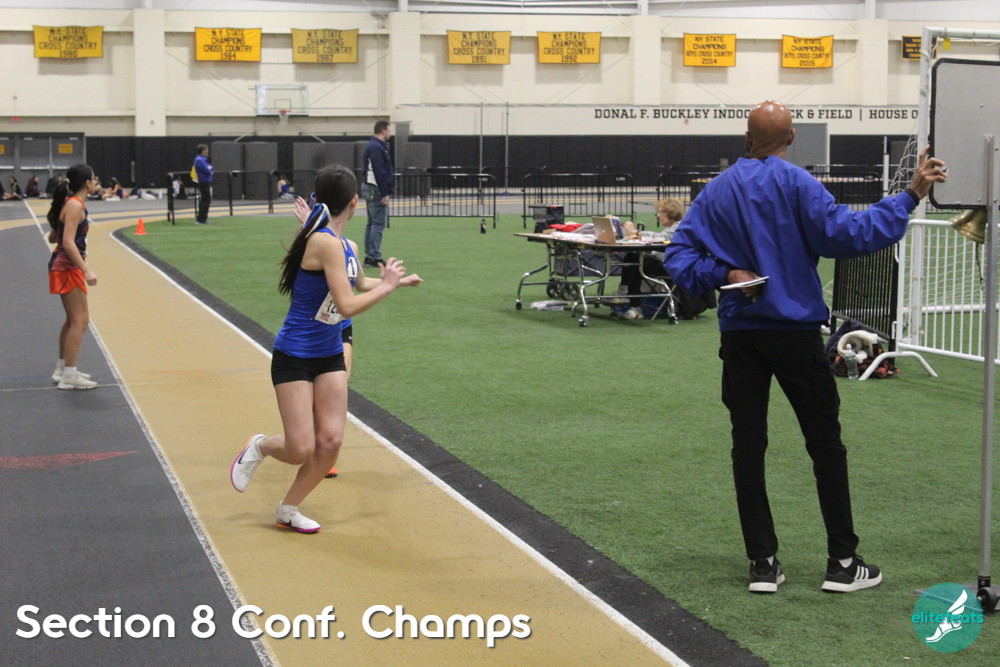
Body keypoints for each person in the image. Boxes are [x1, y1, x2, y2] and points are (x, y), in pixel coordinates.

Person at [663, 100, 947, 594]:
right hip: (795, 334)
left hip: (741, 335)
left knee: (747, 445)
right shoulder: (800, 185)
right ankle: (842, 562)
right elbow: (850, 235)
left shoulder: (716, 190)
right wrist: (910, 194)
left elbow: (679, 255)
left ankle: (762, 563)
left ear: (746, 138)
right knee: (824, 442)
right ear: (792, 138)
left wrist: (726, 273)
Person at [230, 165, 421, 534]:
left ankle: (288, 509)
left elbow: (358, 281)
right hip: (295, 354)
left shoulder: (346, 246)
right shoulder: (324, 243)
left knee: (331, 441)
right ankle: (261, 446)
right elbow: (346, 305)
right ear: (355, 201)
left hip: (329, 355)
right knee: (300, 449)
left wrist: (396, 281)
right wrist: (388, 288)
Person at [47, 164, 102, 390]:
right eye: (94, 179)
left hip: (63, 266)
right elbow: (67, 242)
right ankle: (69, 375)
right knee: (81, 320)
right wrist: (86, 269)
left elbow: (54, 237)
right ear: (87, 183)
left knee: (72, 320)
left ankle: (63, 369)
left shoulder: (70, 204)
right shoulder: (75, 205)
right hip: (67, 267)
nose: (96, 182)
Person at [615, 198, 716, 321]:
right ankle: (630, 300)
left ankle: (628, 297)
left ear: (672, 212)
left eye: (661, 212)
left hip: (673, 265)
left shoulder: (680, 227)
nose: (658, 216)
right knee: (636, 261)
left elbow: (664, 238)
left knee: (634, 260)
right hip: (670, 264)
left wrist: (637, 233)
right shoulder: (675, 227)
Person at [361, 120, 394, 268]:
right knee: (378, 223)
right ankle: (374, 256)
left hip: (370, 187)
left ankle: (370, 256)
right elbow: (379, 171)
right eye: (389, 130)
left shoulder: (374, 146)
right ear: (384, 130)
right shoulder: (376, 147)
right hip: (376, 188)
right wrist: (385, 193)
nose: (390, 133)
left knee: (371, 223)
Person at [193, 144, 213, 224]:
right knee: (205, 200)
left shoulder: (202, 159)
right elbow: (208, 170)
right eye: (206, 149)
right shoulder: (200, 160)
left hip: (204, 181)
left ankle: (202, 218)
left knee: (205, 199)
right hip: (204, 181)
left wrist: (210, 168)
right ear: (202, 151)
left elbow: (210, 168)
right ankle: (202, 219)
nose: (207, 151)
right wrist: (210, 169)